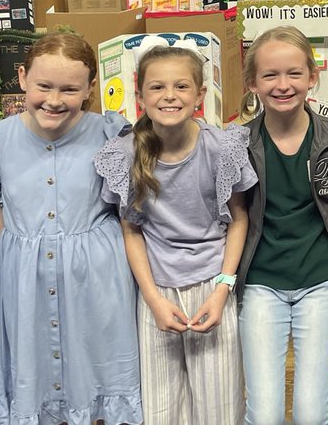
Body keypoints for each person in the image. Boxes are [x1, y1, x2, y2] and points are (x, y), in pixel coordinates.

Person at [0, 31, 142, 425]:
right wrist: (16, 251)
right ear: (21, 77)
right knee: (35, 374)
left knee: (96, 370)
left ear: (90, 88)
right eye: (43, 86)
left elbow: (128, 208)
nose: (53, 100)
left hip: (97, 279)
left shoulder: (110, 135)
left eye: (69, 89)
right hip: (24, 280)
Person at [95, 44, 256, 425]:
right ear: (139, 97)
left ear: (200, 95)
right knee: (160, 409)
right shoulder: (126, 153)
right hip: (156, 291)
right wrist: (152, 298)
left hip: (212, 285)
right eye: (157, 88)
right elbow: (130, 229)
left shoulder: (220, 147)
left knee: (218, 407)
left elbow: (238, 219)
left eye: (182, 86)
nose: (170, 96)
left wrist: (222, 289)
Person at [237, 27, 328, 425]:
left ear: (312, 77)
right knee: (265, 410)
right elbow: (234, 215)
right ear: (252, 82)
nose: (283, 85)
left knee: (310, 410)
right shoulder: (237, 144)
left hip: (321, 280)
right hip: (260, 282)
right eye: (270, 75)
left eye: (294, 73)